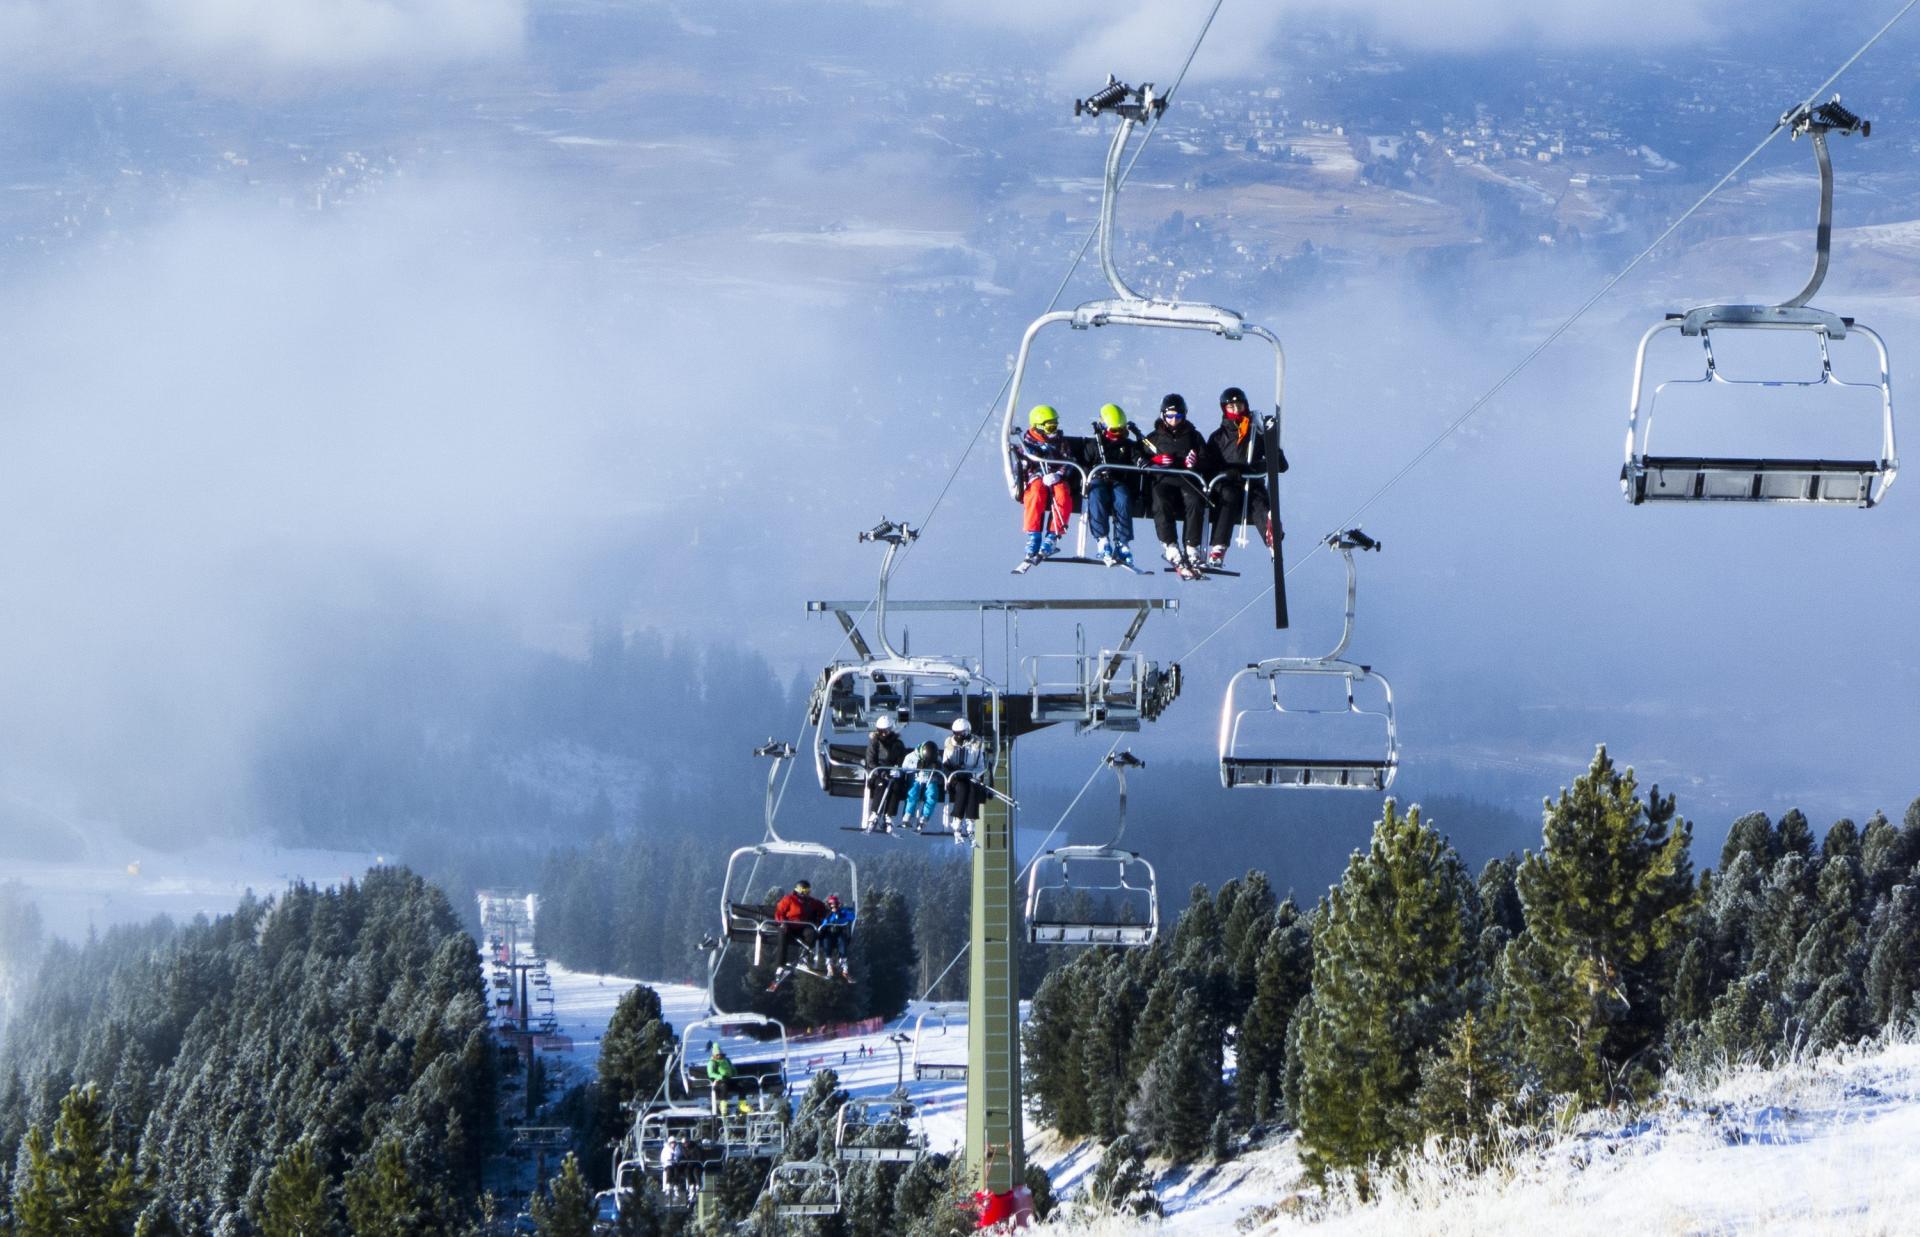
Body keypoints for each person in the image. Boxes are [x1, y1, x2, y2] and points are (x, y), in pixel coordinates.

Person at [1205, 385, 1281, 568]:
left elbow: (1281, 464)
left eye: (1239, 405)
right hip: (1227, 483)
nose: (1236, 410)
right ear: (1224, 409)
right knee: (1228, 498)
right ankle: (1218, 547)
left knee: (1259, 502)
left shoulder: (1256, 433)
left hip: (1251, 482)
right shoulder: (1218, 437)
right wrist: (1225, 471)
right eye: (1231, 407)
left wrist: (1265, 463)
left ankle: (1272, 539)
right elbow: (1207, 467)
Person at [1143, 393, 1212, 573]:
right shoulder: (1154, 438)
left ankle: (1192, 547)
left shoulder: (1193, 436)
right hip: (1164, 479)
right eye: (1170, 416)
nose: (1174, 420)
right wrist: (1154, 461)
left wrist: (1195, 463)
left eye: (1178, 416)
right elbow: (1138, 453)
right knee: (1160, 499)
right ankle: (1170, 545)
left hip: (1186, 479)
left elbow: (1206, 459)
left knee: (1195, 500)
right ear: (1163, 416)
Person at [1077, 403, 1146, 567]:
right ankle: (1102, 539)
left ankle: (1123, 542)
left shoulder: (1127, 445)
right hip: (1098, 480)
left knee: (1122, 500)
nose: (1118, 434)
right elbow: (1085, 464)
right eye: (1114, 430)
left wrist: (1140, 460)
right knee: (1097, 497)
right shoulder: (1095, 445)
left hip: (1117, 481)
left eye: (1122, 430)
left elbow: (1136, 455)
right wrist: (1086, 478)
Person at [1015, 404, 1075, 562]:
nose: (1054, 431)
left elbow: (1069, 461)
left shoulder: (1060, 442)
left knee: (1062, 495)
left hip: (1056, 478)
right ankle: (1033, 535)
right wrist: (1036, 475)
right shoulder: (1026, 445)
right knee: (1035, 493)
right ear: (1038, 427)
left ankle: (1053, 535)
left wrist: (1059, 474)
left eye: (1055, 426)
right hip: (1036, 478)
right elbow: (1022, 466)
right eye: (1050, 427)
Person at [942, 717, 987, 843]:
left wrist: (974, 775)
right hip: (955, 778)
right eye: (956, 733)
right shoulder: (950, 744)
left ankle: (970, 821)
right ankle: (957, 820)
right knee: (962, 788)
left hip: (970, 776)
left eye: (962, 733)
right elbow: (945, 764)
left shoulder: (976, 744)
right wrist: (953, 773)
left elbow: (981, 765)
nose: (959, 736)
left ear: (968, 731)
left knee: (972, 788)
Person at [863, 713, 908, 830]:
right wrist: (881, 772)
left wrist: (898, 770)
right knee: (881, 785)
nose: (883, 733)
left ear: (890, 730)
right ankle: (875, 814)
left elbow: (902, 760)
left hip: (892, 773)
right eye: (881, 731)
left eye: (886, 731)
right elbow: (871, 761)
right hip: (877, 773)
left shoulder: (898, 744)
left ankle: (889, 815)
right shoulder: (875, 743)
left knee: (896, 786)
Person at [773, 879, 828, 974]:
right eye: (805, 891)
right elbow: (779, 912)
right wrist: (782, 923)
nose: (807, 893)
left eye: (808, 891)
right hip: (789, 926)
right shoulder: (789, 899)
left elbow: (822, 908)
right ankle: (780, 965)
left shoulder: (811, 901)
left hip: (803, 927)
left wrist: (829, 909)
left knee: (812, 933)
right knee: (782, 934)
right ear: (799, 890)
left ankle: (804, 959)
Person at [901, 739, 945, 826]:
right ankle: (908, 814)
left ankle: (925, 817)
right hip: (916, 779)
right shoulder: (911, 756)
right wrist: (917, 766)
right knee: (913, 793)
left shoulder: (937, 758)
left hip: (931, 779)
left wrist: (938, 768)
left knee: (932, 795)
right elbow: (904, 768)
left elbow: (942, 773)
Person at [817, 893, 856, 982]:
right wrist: (831, 915)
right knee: (826, 942)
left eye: (835, 904)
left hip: (839, 933)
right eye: (831, 905)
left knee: (842, 941)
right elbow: (823, 922)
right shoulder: (826, 913)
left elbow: (852, 916)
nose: (834, 906)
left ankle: (844, 967)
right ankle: (829, 965)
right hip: (828, 933)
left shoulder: (842, 911)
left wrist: (840, 915)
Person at [705, 1044, 736, 1115]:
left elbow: (732, 1069)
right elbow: (711, 1074)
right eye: (717, 1055)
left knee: (741, 1085)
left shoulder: (726, 1060)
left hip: (728, 1080)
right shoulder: (712, 1062)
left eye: (720, 1054)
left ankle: (742, 1104)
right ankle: (723, 1106)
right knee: (723, 1086)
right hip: (718, 1082)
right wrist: (720, 1076)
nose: (719, 1056)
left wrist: (733, 1072)